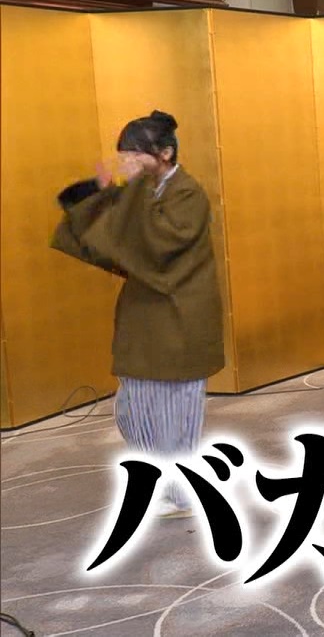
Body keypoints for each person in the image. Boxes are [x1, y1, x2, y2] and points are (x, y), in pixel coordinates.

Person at [50, 110, 225, 519]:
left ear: (165, 153)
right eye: (123, 154)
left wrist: (121, 194)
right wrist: (96, 196)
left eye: (134, 154)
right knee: (134, 410)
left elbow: (156, 244)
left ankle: (183, 493)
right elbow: (111, 240)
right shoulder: (143, 192)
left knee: (174, 415)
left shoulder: (187, 194)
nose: (127, 162)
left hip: (179, 317)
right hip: (145, 316)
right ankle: (162, 483)